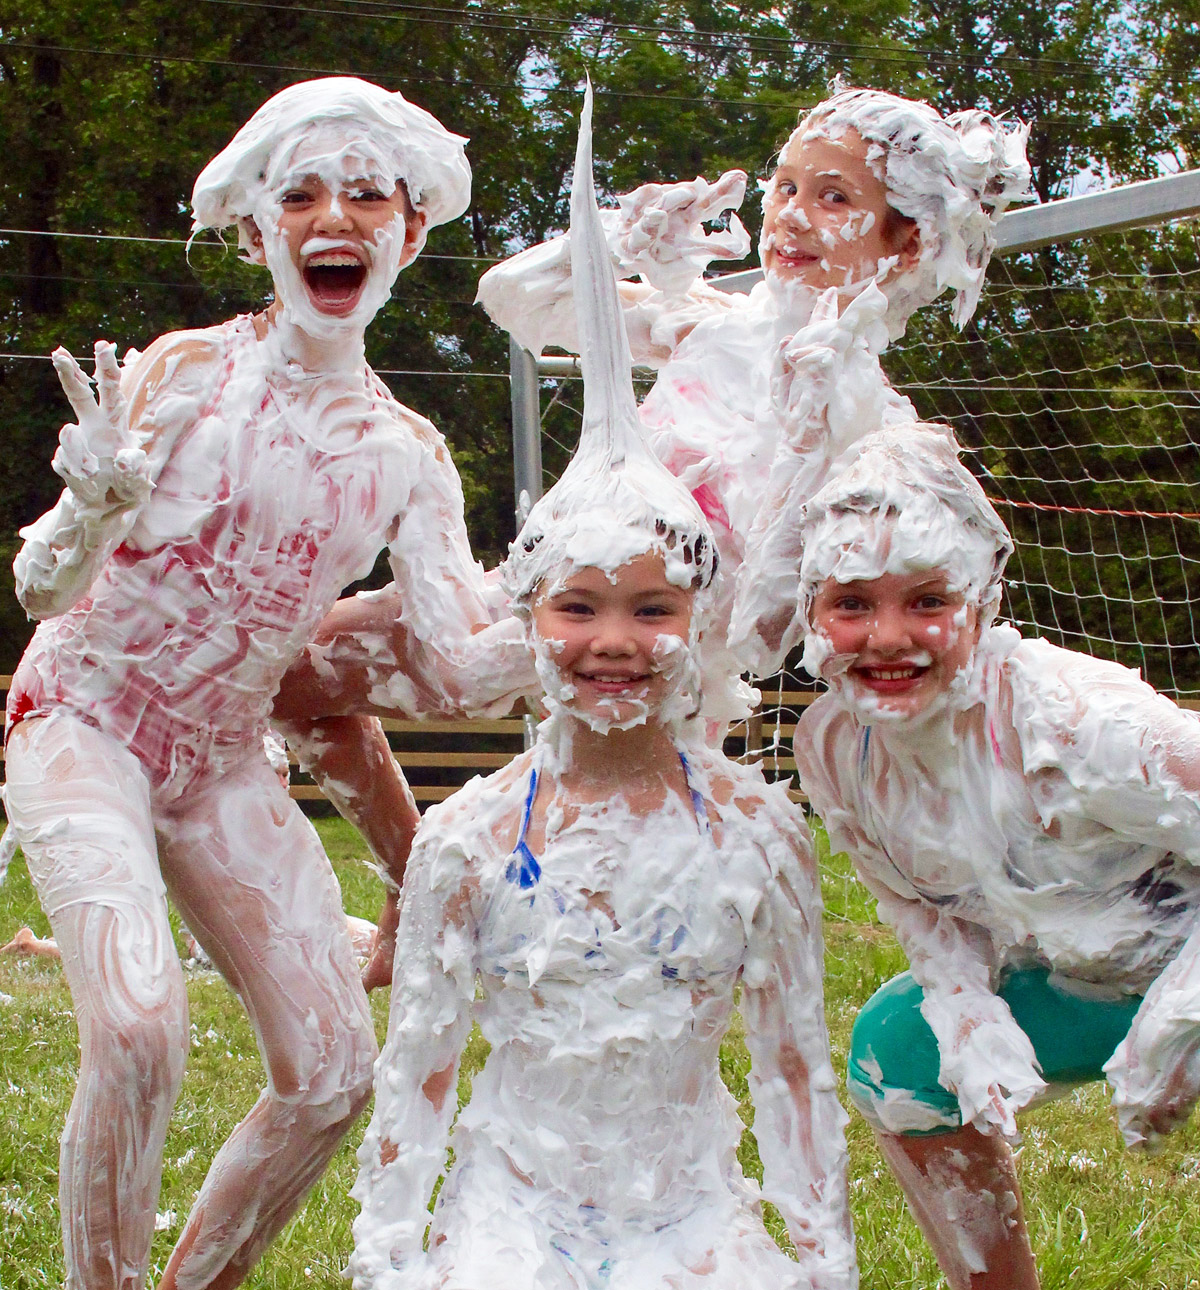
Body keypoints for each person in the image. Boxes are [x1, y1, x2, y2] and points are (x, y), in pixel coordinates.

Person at [2, 76, 533, 1290]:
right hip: (82, 720)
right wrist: (87, 508)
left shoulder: (407, 454)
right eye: (298, 195)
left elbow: (454, 662)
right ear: (254, 231)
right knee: (138, 1031)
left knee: (338, 1069)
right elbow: (41, 588)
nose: (330, 216)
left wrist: (589, 613)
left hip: (221, 758)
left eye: (364, 195)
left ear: (408, 231)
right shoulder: (189, 371)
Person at [349, 89, 856, 1290]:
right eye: (578, 608)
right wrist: (388, 1254)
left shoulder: (758, 832)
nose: (613, 643)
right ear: (529, 621)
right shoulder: (465, 843)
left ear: (699, 626)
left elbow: (793, 1069)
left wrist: (821, 1258)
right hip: (511, 1216)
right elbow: (415, 1076)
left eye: (651, 610)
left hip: (692, 1218)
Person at [784, 424, 1200, 1290]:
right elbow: (913, 900)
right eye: (852, 604)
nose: (887, 637)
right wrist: (964, 1001)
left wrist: (1183, 1011)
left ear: (984, 600)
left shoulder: (1073, 721)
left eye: (927, 601)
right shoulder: (833, 745)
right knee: (898, 1056)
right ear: (810, 610)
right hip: (1091, 976)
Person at [476, 85, 1030, 722]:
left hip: (662, 690)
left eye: (834, 197)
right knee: (355, 655)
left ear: (906, 246)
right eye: (787, 188)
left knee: (391, 666)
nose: (793, 216)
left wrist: (802, 448)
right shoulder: (710, 326)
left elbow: (762, 637)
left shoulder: (879, 437)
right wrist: (618, 239)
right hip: (553, 605)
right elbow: (514, 299)